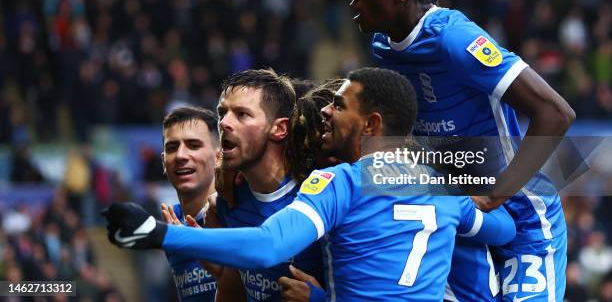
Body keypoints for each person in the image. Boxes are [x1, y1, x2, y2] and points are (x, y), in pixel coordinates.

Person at [103, 67, 517, 301]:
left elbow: (268, 244)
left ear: (371, 124)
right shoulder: (435, 186)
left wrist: (160, 235)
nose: (327, 114)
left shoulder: (335, 184)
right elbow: (504, 229)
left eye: (339, 106)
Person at [352, 0, 575, 301]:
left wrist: (493, 194)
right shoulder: (382, 48)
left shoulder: (454, 38)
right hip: (458, 216)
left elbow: (556, 113)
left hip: (520, 212)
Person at [213, 69, 324, 302]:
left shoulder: (320, 198)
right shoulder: (227, 200)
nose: (224, 123)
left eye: (242, 114)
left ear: (279, 128)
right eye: (222, 113)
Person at [158, 106, 218, 301]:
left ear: (219, 157)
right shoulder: (172, 223)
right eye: (172, 148)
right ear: (163, 162)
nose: (181, 155)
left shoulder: (237, 213)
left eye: (193, 145)